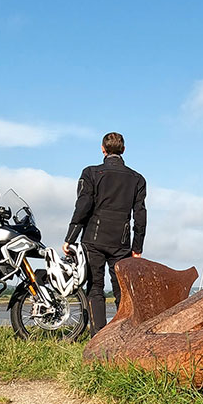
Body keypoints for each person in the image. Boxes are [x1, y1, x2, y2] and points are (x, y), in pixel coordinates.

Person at [63, 132, 147, 334]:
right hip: (122, 241)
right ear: (124, 150)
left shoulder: (91, 173)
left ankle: (98, 337)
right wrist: (137, 247)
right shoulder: (137, 179)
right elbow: (140, 215)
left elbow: (83, 206)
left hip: (93, 237)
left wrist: (70, 238)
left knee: (95, 288)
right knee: (122, 290)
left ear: (103, 149)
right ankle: (125, 333)